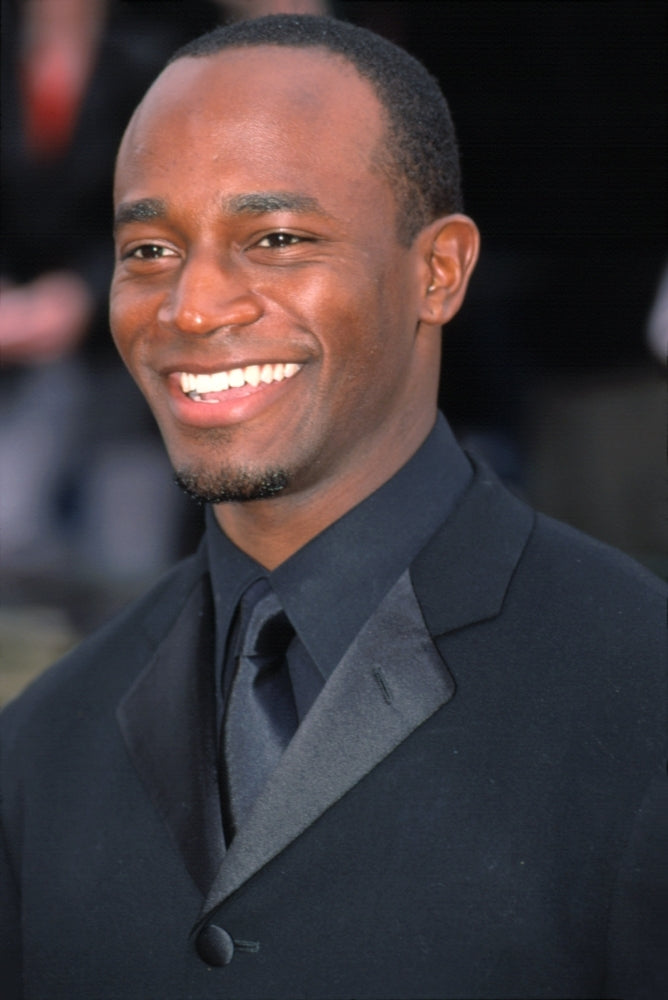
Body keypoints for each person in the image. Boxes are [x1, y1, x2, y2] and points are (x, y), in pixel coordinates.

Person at [1, 14, 666, 999]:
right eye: (148, 248)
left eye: (273, 238)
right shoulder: (40, 746)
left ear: (436, 271)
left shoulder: (642, 697)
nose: (190, 305)